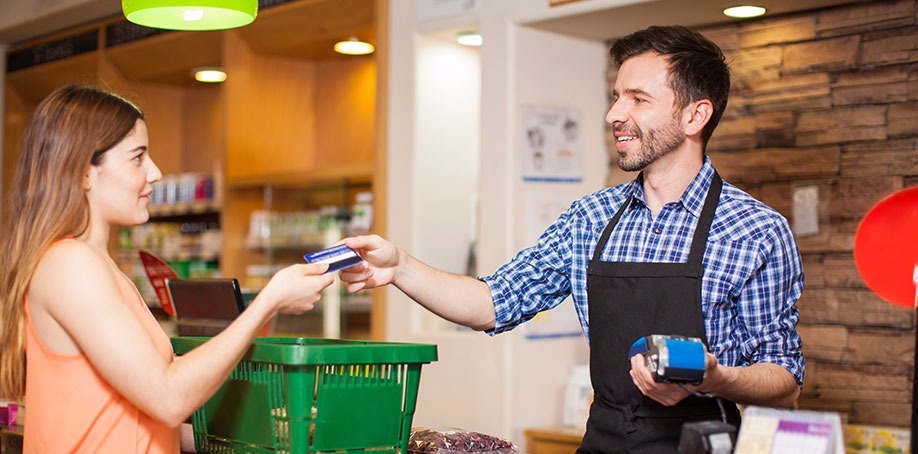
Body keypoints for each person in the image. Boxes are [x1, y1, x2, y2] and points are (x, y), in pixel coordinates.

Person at [339, 25, 804, 452]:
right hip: (603, 440)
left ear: (694, 115)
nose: (614, 114)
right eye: (616, 96)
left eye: (638, 99)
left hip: (703, 443)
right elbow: (492, 302)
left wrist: (715, 377)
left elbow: (785, 381)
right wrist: (399, 267)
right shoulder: (590, 218)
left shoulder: (755, 230)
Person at [0, 85, 335, 453]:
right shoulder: (70, 264)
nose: (156, 172)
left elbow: (137, 418)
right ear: (84, 173)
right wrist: (269, 301)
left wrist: (257, 441)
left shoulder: (98, 266)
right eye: (138, 157)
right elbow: (168, 397)